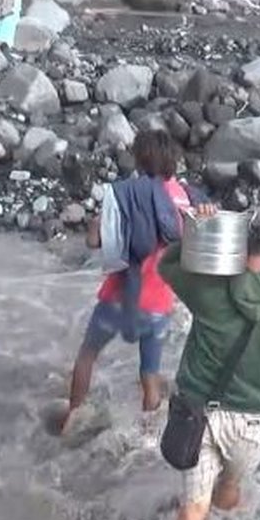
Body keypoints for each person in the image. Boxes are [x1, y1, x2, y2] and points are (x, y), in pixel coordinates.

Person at [156, 204, 260, 520]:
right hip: (251, 424)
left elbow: (165, 264)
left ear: (237, 237)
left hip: (200, 416)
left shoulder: (208, 287)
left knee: (193, 508)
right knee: (231, 486)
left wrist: (199, 230)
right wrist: (258, 399)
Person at [61, 130, 194, 434]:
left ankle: (71, 419)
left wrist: (94, 225)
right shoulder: (183, 197)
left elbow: (96, 240)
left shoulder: (127, 193)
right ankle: (146, 439)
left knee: (87, 357)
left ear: (140, 159)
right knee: (150, 375)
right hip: (158, 306)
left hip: (117, 300)